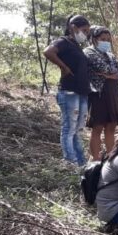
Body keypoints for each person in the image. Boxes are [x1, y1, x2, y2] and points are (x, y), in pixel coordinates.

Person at [43, 15, 92, 166]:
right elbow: (48, 51)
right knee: (69, 128)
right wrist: (63, 67)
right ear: (73, 27)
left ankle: (81, 162)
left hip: (82, 92)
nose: (85, 34)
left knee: (77, 129)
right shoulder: (63, 41)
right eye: (84, 30)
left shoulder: (77, 46)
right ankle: (70, 162)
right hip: (69, 91)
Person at [85, 26, 118, 161]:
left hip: (112, 92)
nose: (106, 42)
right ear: (94, 39)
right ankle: (95, 160)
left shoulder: (110, 54)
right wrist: (109, 73)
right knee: (97, 127)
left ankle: (111, 158)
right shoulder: (89, 52)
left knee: (111, 126)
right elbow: (104, 68)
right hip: (99, 93)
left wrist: (109, 74)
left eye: (108, 39)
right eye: (103, 39)